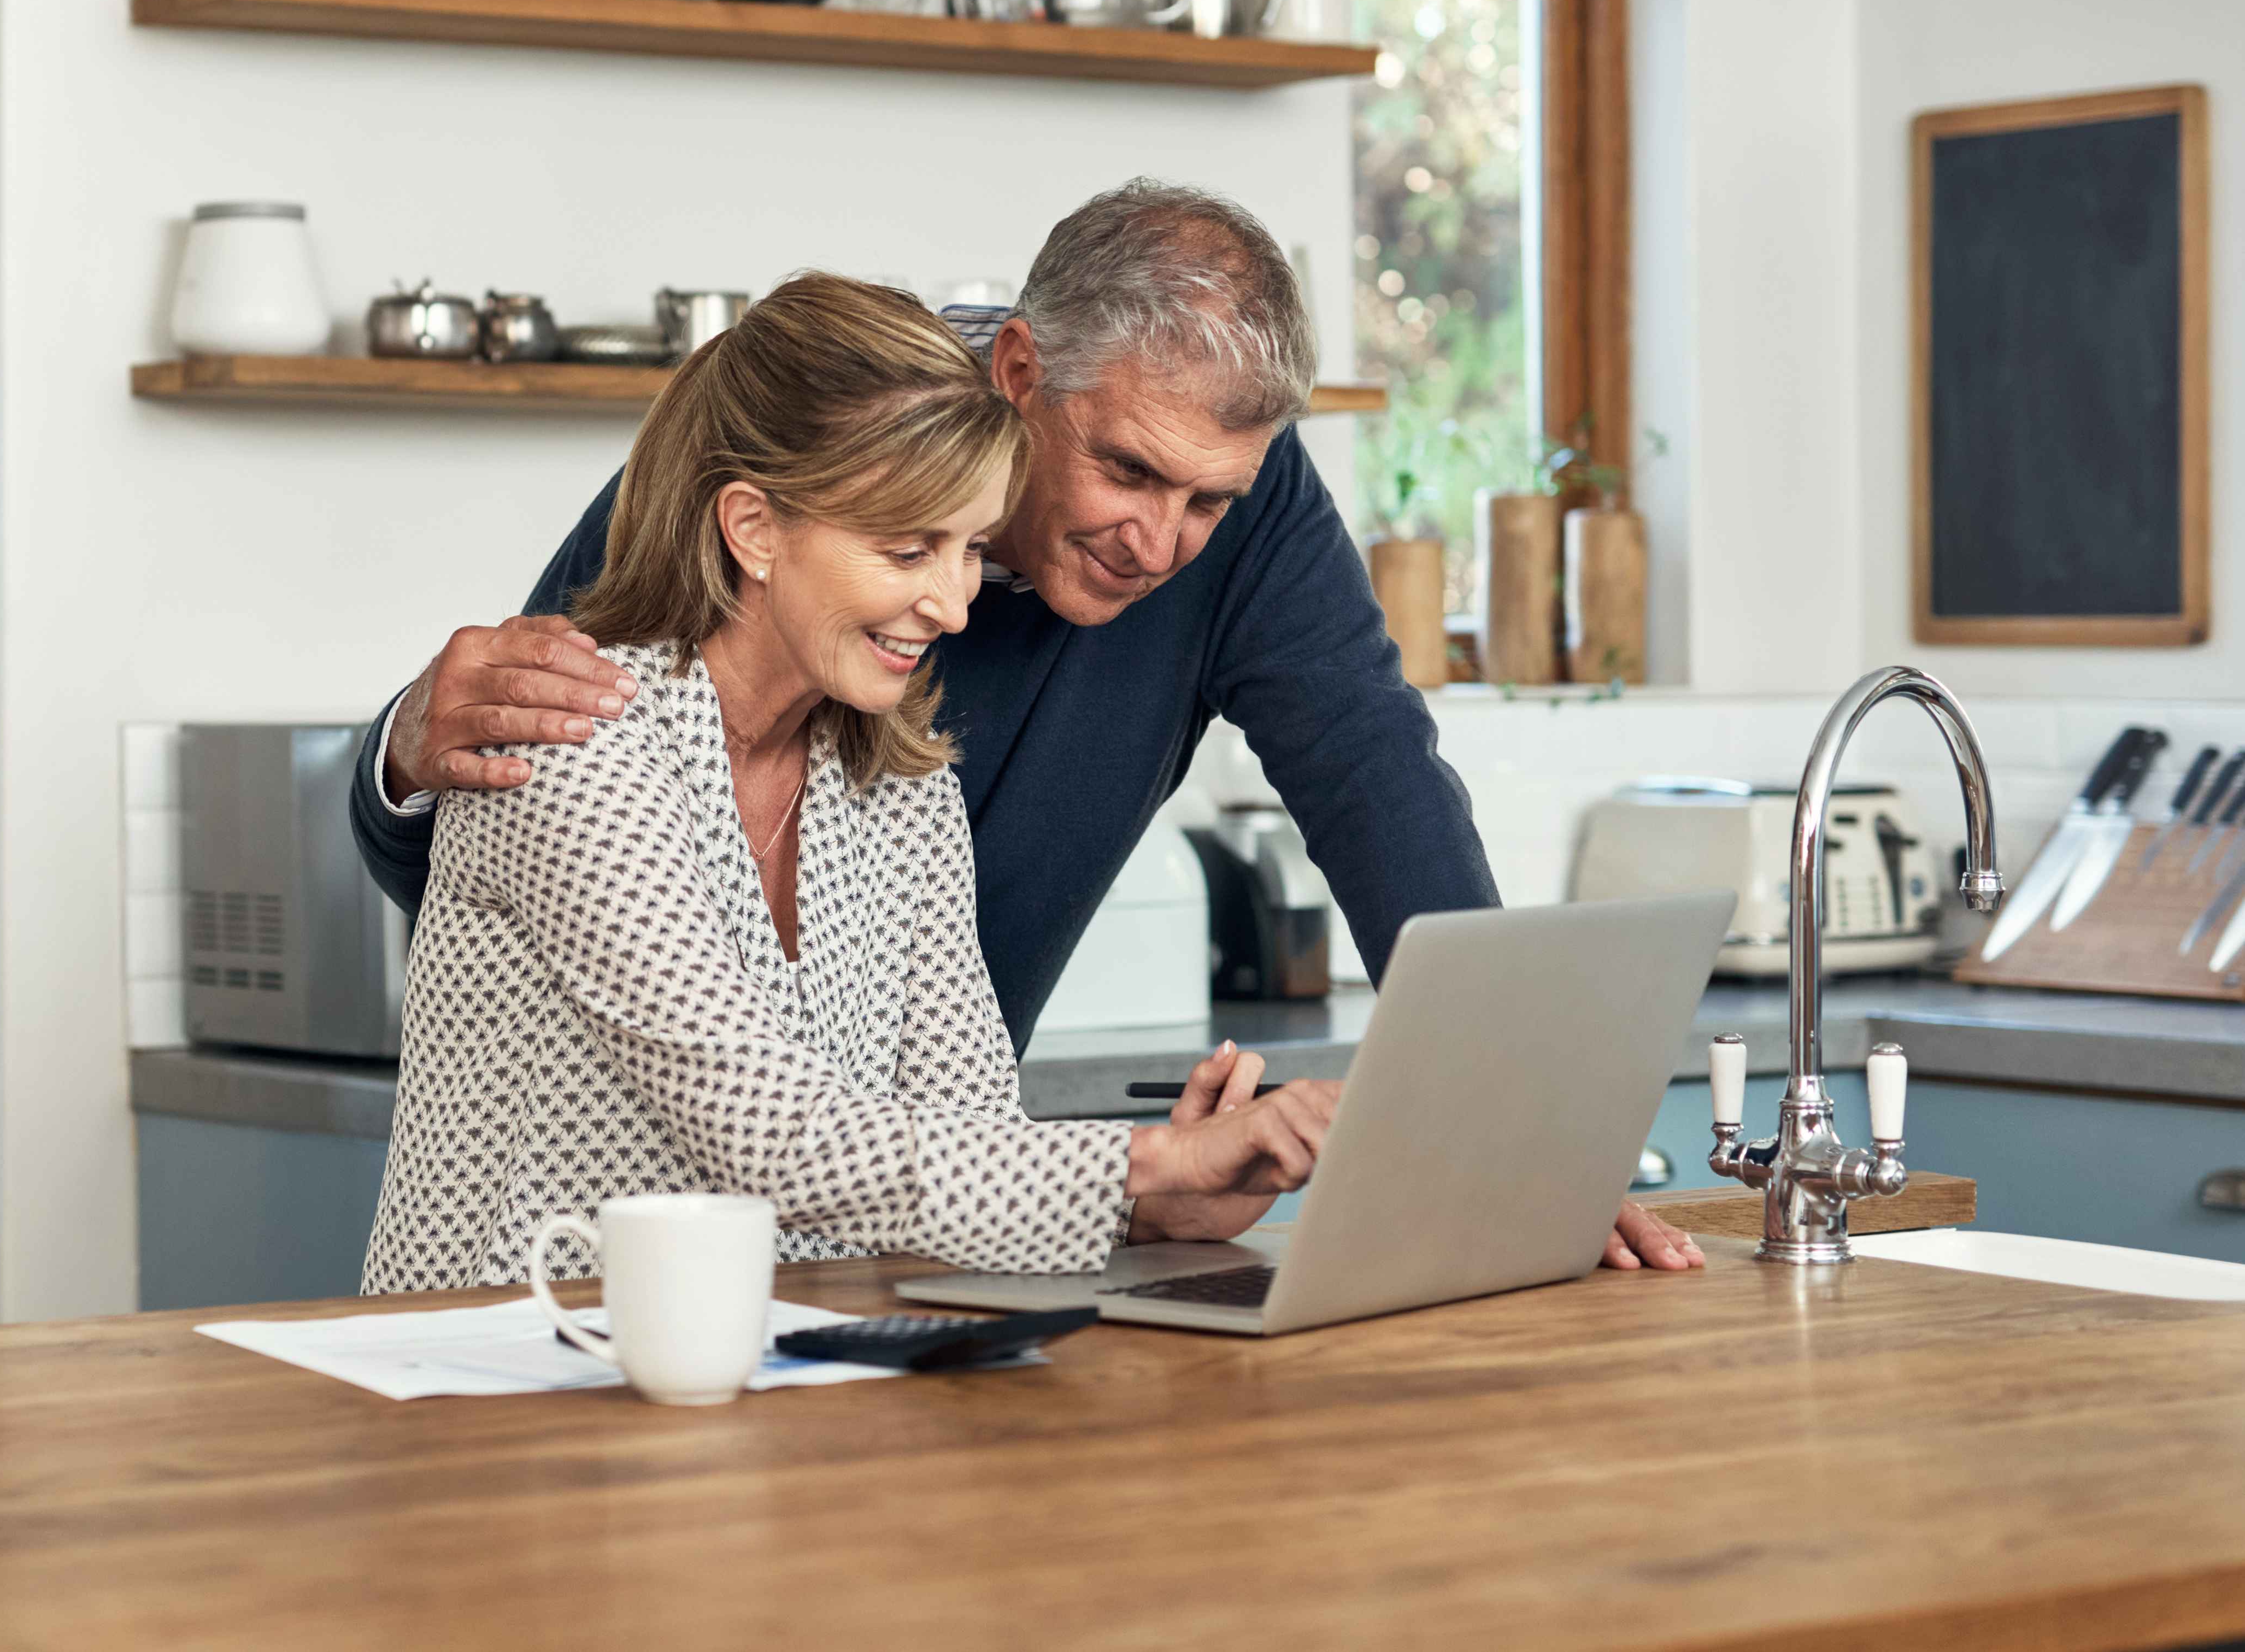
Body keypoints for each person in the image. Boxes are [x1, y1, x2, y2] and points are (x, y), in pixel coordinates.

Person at [355, 180, 1701, 1274]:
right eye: (1124, 471)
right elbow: (521, 766)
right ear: (1017, 374)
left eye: (1205, 503)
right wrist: (413, 749)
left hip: (814, 1311)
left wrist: (1519, 1149)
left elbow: (1372, 776)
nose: (1160, 542)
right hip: (519, 1330)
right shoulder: (779, 465)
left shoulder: (900, 770)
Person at [362, 274, 1340, 1291]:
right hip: (498, 1371)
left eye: (967, 549)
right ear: (754, 529)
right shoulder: (580, 744)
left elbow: (962, 1138)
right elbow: (769, 1131)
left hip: (775, 1377)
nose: (954, 606)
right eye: (906, 548)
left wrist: (1151, 1207)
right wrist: (1148, 1161)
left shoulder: (897, 777)